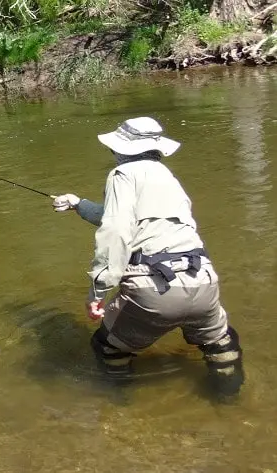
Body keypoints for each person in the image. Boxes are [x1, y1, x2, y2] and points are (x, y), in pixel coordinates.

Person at [52, 116, 244, 401]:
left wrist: (98, 291)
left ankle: (122, 405)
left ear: (122, 150)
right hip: (202, 280)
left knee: (107, 346)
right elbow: (132, 219)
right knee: (220, 342)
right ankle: (230, 400)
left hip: (154, 290)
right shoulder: (167, 177)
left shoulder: (122, 174)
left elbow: (116, 230)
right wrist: (78, 204)